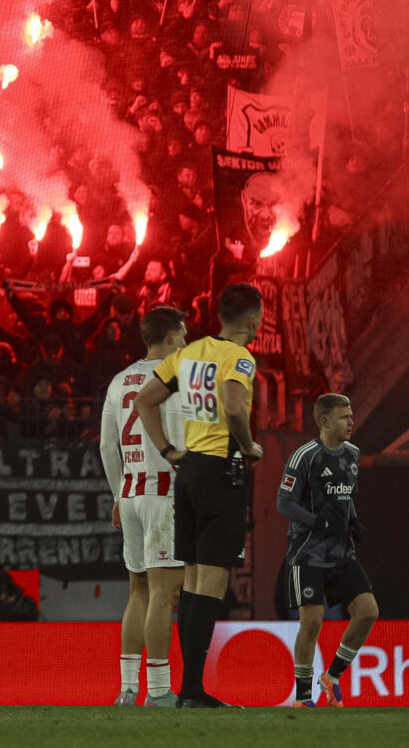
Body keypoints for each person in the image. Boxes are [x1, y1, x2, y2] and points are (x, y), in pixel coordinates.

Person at [132, 279, 261, 707]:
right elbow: (235, 405)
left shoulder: (188, 353)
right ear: (252, 317)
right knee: (210, 582)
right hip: (220, 470)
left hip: (187, 472)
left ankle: (189, 691)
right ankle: (192, 691)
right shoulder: (238, 357)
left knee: (190, 581)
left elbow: (144, 401)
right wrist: (247, 445)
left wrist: (169, 449)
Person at [99, 303, 188, 706]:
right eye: (183, 334)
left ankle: (128, 688)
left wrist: (117, 495)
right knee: (164, 593)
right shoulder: (175, 378)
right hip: (162, 493)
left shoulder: (119, 381)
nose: (186, 341)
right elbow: (183, 440)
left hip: (131, 494)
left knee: (137, 591)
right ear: (169, 337)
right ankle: (158, 690)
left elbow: (106, 445)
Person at [278, 392, 378, 706]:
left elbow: (346, 497)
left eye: (351, 415)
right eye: (343, 416)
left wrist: (355, 522)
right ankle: (303, 697)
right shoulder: (304, 456)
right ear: (324, 422)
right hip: (307, 553)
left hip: (340, 554)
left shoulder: (353, 454)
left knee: (368, 612)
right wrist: (316, 522)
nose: (351, 421)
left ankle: (331, 678)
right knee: (312, 621)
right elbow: (284, 502)